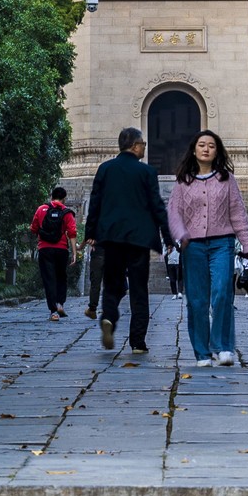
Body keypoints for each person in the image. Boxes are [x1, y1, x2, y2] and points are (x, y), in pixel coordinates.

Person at [167, 130, 248, 367]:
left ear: (218, 151)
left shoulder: (227, 180)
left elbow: (238, 213)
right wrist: (180, 234)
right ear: (194, 150)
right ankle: (202, 352)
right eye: (202, 145)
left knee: (222, 294)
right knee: (197, 300)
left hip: (222, 244)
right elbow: (174, 213)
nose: (206, 149)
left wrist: (247, 243)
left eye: (211, 146)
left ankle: (224, 346)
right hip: (192, 246)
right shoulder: (183, 181)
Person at [83, 127, 172, 352]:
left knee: (112, 284)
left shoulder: (105, 169)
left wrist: (90, 233)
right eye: (142, 143)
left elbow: (95, 202)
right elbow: (157, 206)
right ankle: (138, 342)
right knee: (139, 289)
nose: (144, 147)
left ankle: (109, 318)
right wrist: (168, 236)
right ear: (134, 145)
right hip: (139, 239)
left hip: (111, 237)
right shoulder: (147, 172)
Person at [28, 185, 77, 320]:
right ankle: (60, 304)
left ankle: (53, 312)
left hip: (45, 249)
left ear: (51, 197)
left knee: (49, 279)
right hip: (61, 250)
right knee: (61, 277)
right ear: (64, 199)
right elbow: (72, 233)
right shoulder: (66, 212)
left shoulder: (41, 209)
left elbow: (33, 228)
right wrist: (74, 253)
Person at [81, 187, 106, 319]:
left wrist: (80, 246)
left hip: (98, 253)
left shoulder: (94, 216)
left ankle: (92, 308)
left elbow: (88, 234)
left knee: (95, 283)